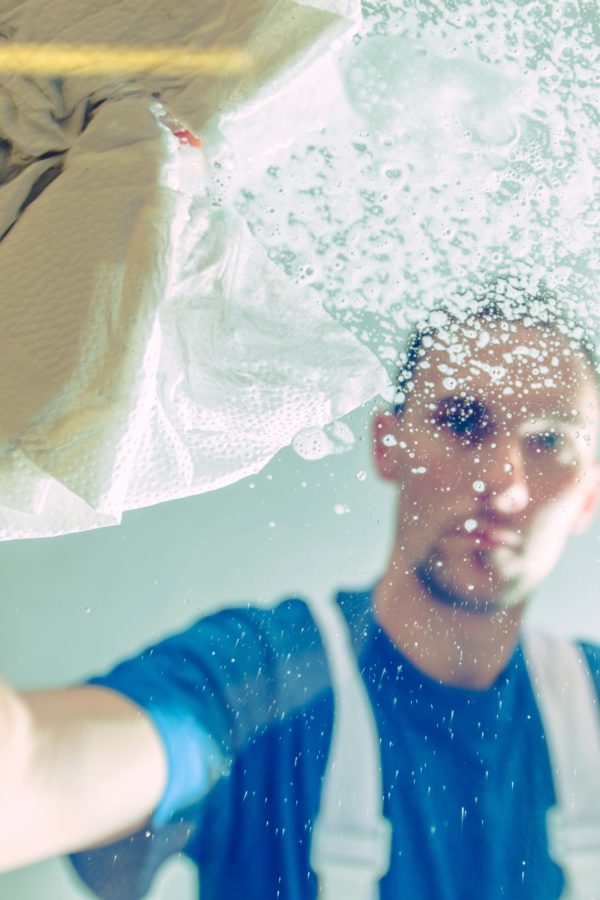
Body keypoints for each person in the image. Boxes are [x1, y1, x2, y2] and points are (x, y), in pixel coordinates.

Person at [2, 292, 600, 900]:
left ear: (589, 494)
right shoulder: (259, 677)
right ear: (388, 445)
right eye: (463, 420)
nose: (503, 479)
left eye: (550, 442)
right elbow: (32, 769)